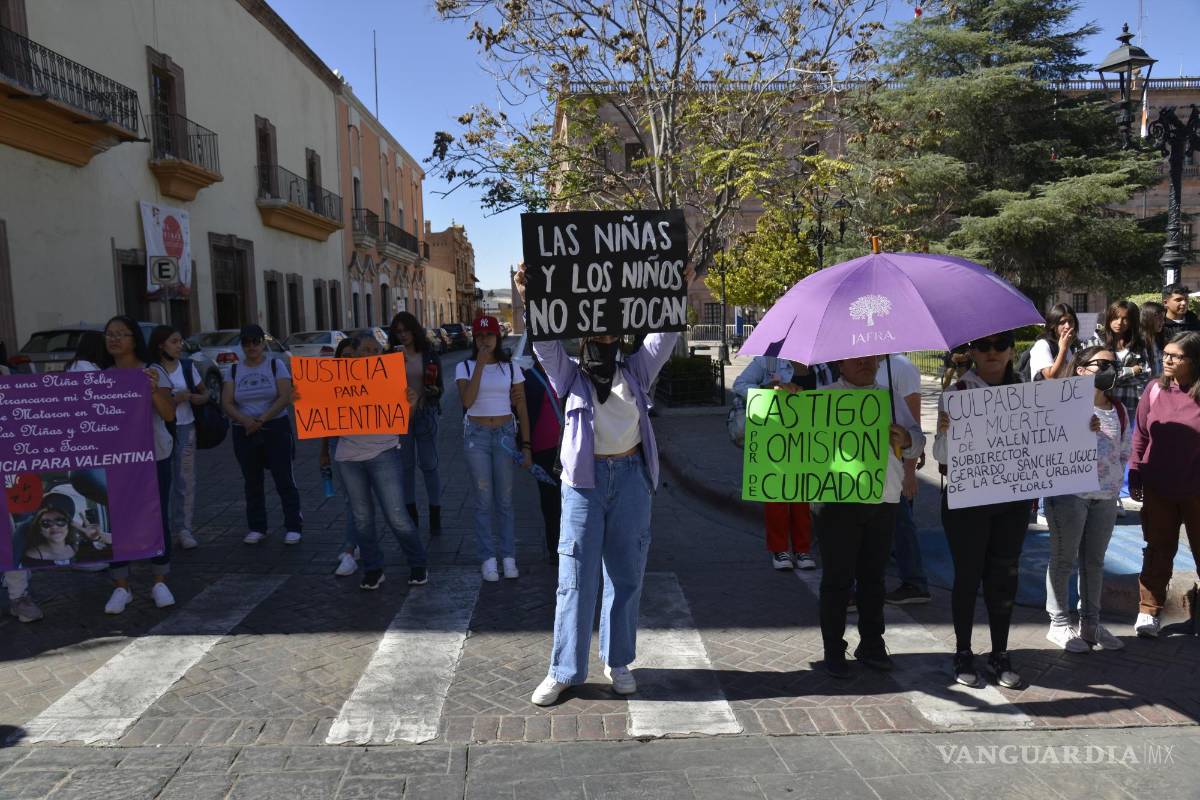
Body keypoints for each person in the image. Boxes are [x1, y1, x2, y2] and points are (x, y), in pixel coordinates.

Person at [514, 264, 685, 706]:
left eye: (613, 332)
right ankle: (564, 670)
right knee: (575, 578)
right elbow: (545, 341)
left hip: (629, 479)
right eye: (597, 331)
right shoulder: (569, 375)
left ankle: (618, 661)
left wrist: (674, 285)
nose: (606, 338)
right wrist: (530, 295)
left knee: (626, 575)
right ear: (585, 335)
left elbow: (663, 336)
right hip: (583, 485)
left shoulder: (636, 372)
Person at [813, 354, 925, 679]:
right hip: (835, 503)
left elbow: (917, 441)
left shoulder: (889, 399)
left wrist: (906, 440)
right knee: (836, 580)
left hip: (883, 499)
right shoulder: (822, 399)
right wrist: (783, 398)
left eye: (869, 358)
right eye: (855, 359)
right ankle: (834, 650)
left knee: (873, 580)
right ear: (840, 365)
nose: (864, 363)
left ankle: (872, 644)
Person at [933, 332, 1028, 688]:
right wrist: (945, 433)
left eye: (1000, 345)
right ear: (971, 351)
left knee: (1004, 577)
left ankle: (1000, 652)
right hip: (967, 503)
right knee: (968, 576)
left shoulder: (1029, 395)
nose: (991, 353)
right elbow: (941, 458)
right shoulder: (956, 394)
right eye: (983, 346)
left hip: (1012, 502)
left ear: (1011, 351)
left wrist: (1085, 427)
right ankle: (963, 651)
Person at [1043, 346, 1131, 653]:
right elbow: (1045, 444)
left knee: (1094, 561)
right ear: (1081, 369)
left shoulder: (1118, 409)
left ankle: (1091, 623)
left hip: (1105, 497)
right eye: (1102, 364)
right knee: (1064, 558)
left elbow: (1124, 449)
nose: (1110, 369)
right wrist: (1075, 427)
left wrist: (1116, 482)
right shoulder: (1063, 405)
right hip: (1069, 495)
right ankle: (1058, 623)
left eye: (1113, 364)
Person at [331, 335, 429, 589]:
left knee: (397, 515)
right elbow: (320, 410)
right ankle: (373, 568)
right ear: (354, 353)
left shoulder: (390, 379)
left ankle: (418, 563)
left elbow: (402, 422)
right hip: (348, 457)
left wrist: (411, 402)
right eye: (366, 350)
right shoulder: (338, 380)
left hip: (384, 452)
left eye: (377, 349)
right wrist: (303, 398)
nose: (373, 353)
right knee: (362, 518)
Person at [97, 315, 177, 614]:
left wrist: (154, 390)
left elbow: (169, 415)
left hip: (155, 455)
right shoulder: (101, 376)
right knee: (117, 521)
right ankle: (121, 587)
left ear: (134, 340)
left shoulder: (153, 371)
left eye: (121, 334)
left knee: (157, 517)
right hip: (116, 461)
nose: (114, 339)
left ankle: (159, 580)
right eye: (109, 334)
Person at [1128, 331, 1200, 639]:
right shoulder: (1153, 390)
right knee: (1158, 551)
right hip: (1158, 489)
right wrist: (1134, 470)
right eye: (1166, 354)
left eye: (1176, 356)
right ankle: (1149, 611)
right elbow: (1140, 434)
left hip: (1196, 491)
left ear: (1194, 361)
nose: (1167, 360)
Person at [732, 356, 827, 571]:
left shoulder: (822, 366)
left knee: (804, 494)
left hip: (810, 437)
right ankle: (780, 548)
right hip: (776, 435)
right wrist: (769, 389)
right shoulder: (768, 362)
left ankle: (803, 549)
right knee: (777, 494)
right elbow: (740, 384)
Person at [455, 315, 531, 582]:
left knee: (506, 499)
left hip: (504, 435)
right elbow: (467, 400)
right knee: (483, 499)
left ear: (497, 337)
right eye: (480, 336)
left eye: (489, 335)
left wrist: (527, 446)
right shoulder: (464, 367)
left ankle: (508, 556)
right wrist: (480, 366)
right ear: (474, 339)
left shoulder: (510, 368)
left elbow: (521, 407)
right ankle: (488, 558)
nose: (485, 340)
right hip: (476, 436)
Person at [221, 324, 301, 546]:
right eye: (246, 343)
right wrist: (245, 420)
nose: (251, 347)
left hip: (275, 427)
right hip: (244, 430)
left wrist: (261, 419)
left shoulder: (276, 365)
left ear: (263, 343)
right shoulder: (234, 370)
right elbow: (226, 401)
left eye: (255, 342)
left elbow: (285, 396)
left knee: (283, 478)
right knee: (252, 481)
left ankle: (293, 525)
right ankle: (257, 526)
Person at [877, 354, 931, 605]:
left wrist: (910, 473)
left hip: (892, 469)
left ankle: (914, 582)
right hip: (862, 472)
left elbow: (913, 425)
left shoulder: (901, 369)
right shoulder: (849, 364)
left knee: (901, 524)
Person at [148, 326, 208, 551]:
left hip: (185, 427)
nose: (179, 345)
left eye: (180, 341)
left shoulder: (187, 367)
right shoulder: (151, 370)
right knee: (160, 482)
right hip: (160, 429)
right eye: (174, 341)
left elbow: (205, 394)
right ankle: (160, 528)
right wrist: (173, 400)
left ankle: (183, 528)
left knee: (184, 479)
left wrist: (191, 397)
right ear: (160, 345)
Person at [388, 312, 444, 534]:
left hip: (425, 414)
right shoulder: (389, 357)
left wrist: (432, 392)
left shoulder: (429, 355)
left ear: (414, 330)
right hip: (400, 419)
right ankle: (411, 515)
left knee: (430, 465)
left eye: (406, 330)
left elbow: (440, 388)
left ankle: (435, 513)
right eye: (398, 331)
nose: (403, 335)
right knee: (405, 467)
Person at [321, 335, 364, 576]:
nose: (349, 360)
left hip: (369, 445)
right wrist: (323, 451)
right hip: (341, 442)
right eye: (345, 356)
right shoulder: (331, 382)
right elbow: (323, 418)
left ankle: (353, 546)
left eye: (353, 355)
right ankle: (351, 547)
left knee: (359, 500)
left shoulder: (372, 380)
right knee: (352, 499)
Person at [522, 352, 564, 562]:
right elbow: (522, 413)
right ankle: (554, 549)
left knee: (571, 500)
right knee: (550, 501)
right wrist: (525, 447)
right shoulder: (528, 376)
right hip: (543, 449)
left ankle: (570, 545)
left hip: (568, 447)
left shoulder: (567, 372)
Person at [1086, 301, 1153, 419]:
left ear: (1132, 321)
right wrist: (1131, 371)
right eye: (1115, 318)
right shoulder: (1095, 342)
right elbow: (1096, 376)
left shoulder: (1139, 345)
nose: (1119, 322)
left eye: (1125, 318)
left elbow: (1145, 374)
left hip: (1130, 406)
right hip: (1100, 407)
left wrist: (1112, 378)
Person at [20, 494, 112, 567]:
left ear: (68, 526)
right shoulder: (32, 556)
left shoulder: (78, 548)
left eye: (60, 521)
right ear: (40, 529)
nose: (54, 527)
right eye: (46, 523)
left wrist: (97, 536)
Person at [1030, 303, 1080, 381]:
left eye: (1070, 321)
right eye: (1062, 322)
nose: (1067, 326)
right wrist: (1063, 349)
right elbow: (1050, 377)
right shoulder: (1042, 345)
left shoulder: (1069, 347)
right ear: (1053, 325)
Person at [1140, 300, 1166, 376]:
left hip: (1159, 384)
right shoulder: (1138, 342)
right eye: (1159, 318)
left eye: (1163, 319)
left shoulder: (1160, 340)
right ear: (1148, 319)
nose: (1163, 322)